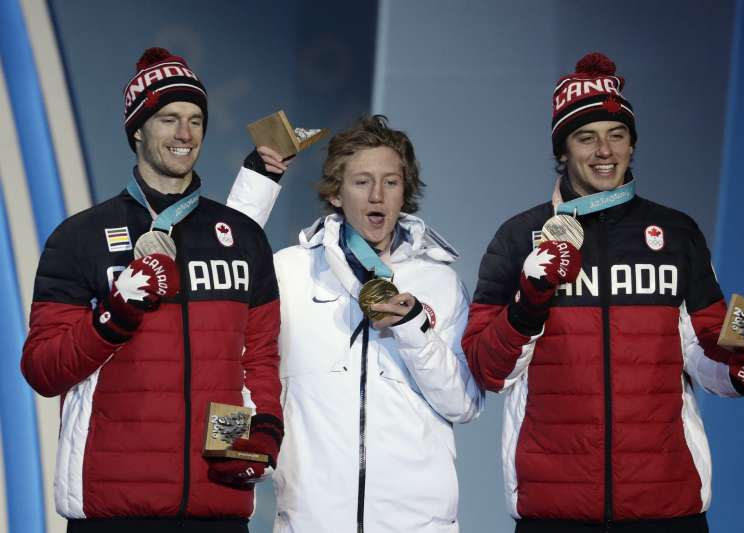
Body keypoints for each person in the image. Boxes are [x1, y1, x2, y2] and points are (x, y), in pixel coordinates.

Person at [462, 52, 744, 532]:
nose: (604, 151)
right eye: (585, 138)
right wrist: (528, 302)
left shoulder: (677, 233)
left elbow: (702, 346)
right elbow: (489, 371)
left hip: (667, 507)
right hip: (556, 511)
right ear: (563, 150)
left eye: (617, 135)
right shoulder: (518, 237)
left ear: (633, 145)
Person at [21, 47, 283, 533]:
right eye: (168, 119)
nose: (185, 134)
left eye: (195, 120)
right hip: (113, 511)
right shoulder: (79, 236)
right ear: (137, 129)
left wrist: (258, 430)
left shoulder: (241, 238)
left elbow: (255, 358)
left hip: (215, 509)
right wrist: (114, 315)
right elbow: (43, 368)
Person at [227, 115, 484, 532]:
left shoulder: (439, 282)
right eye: (362, 181)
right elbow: (223, 293)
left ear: (405, 192)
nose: (377, 195)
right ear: (335, 194)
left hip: (417, 525)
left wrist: (415, 329)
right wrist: (238, 447)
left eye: (391, 182)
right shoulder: (290, 273)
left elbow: (464, 403)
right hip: (312, 521)